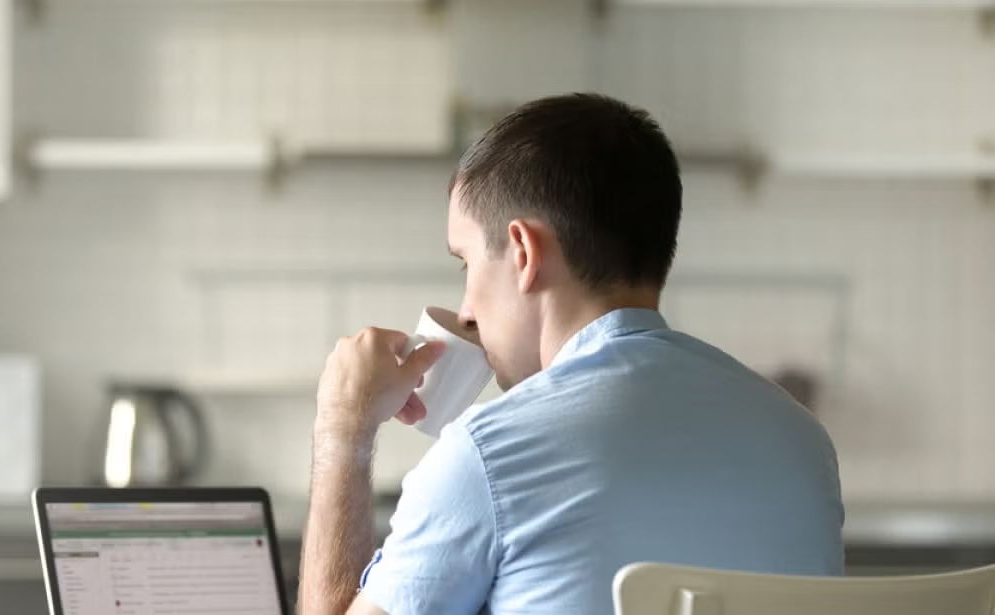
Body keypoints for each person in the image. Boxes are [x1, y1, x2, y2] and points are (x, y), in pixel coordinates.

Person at [298, 93, 843, 615]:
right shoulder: (803, 441)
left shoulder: (488, 457)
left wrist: (344, 431)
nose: (465, 311)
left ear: (524, 252)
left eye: (467, 264)